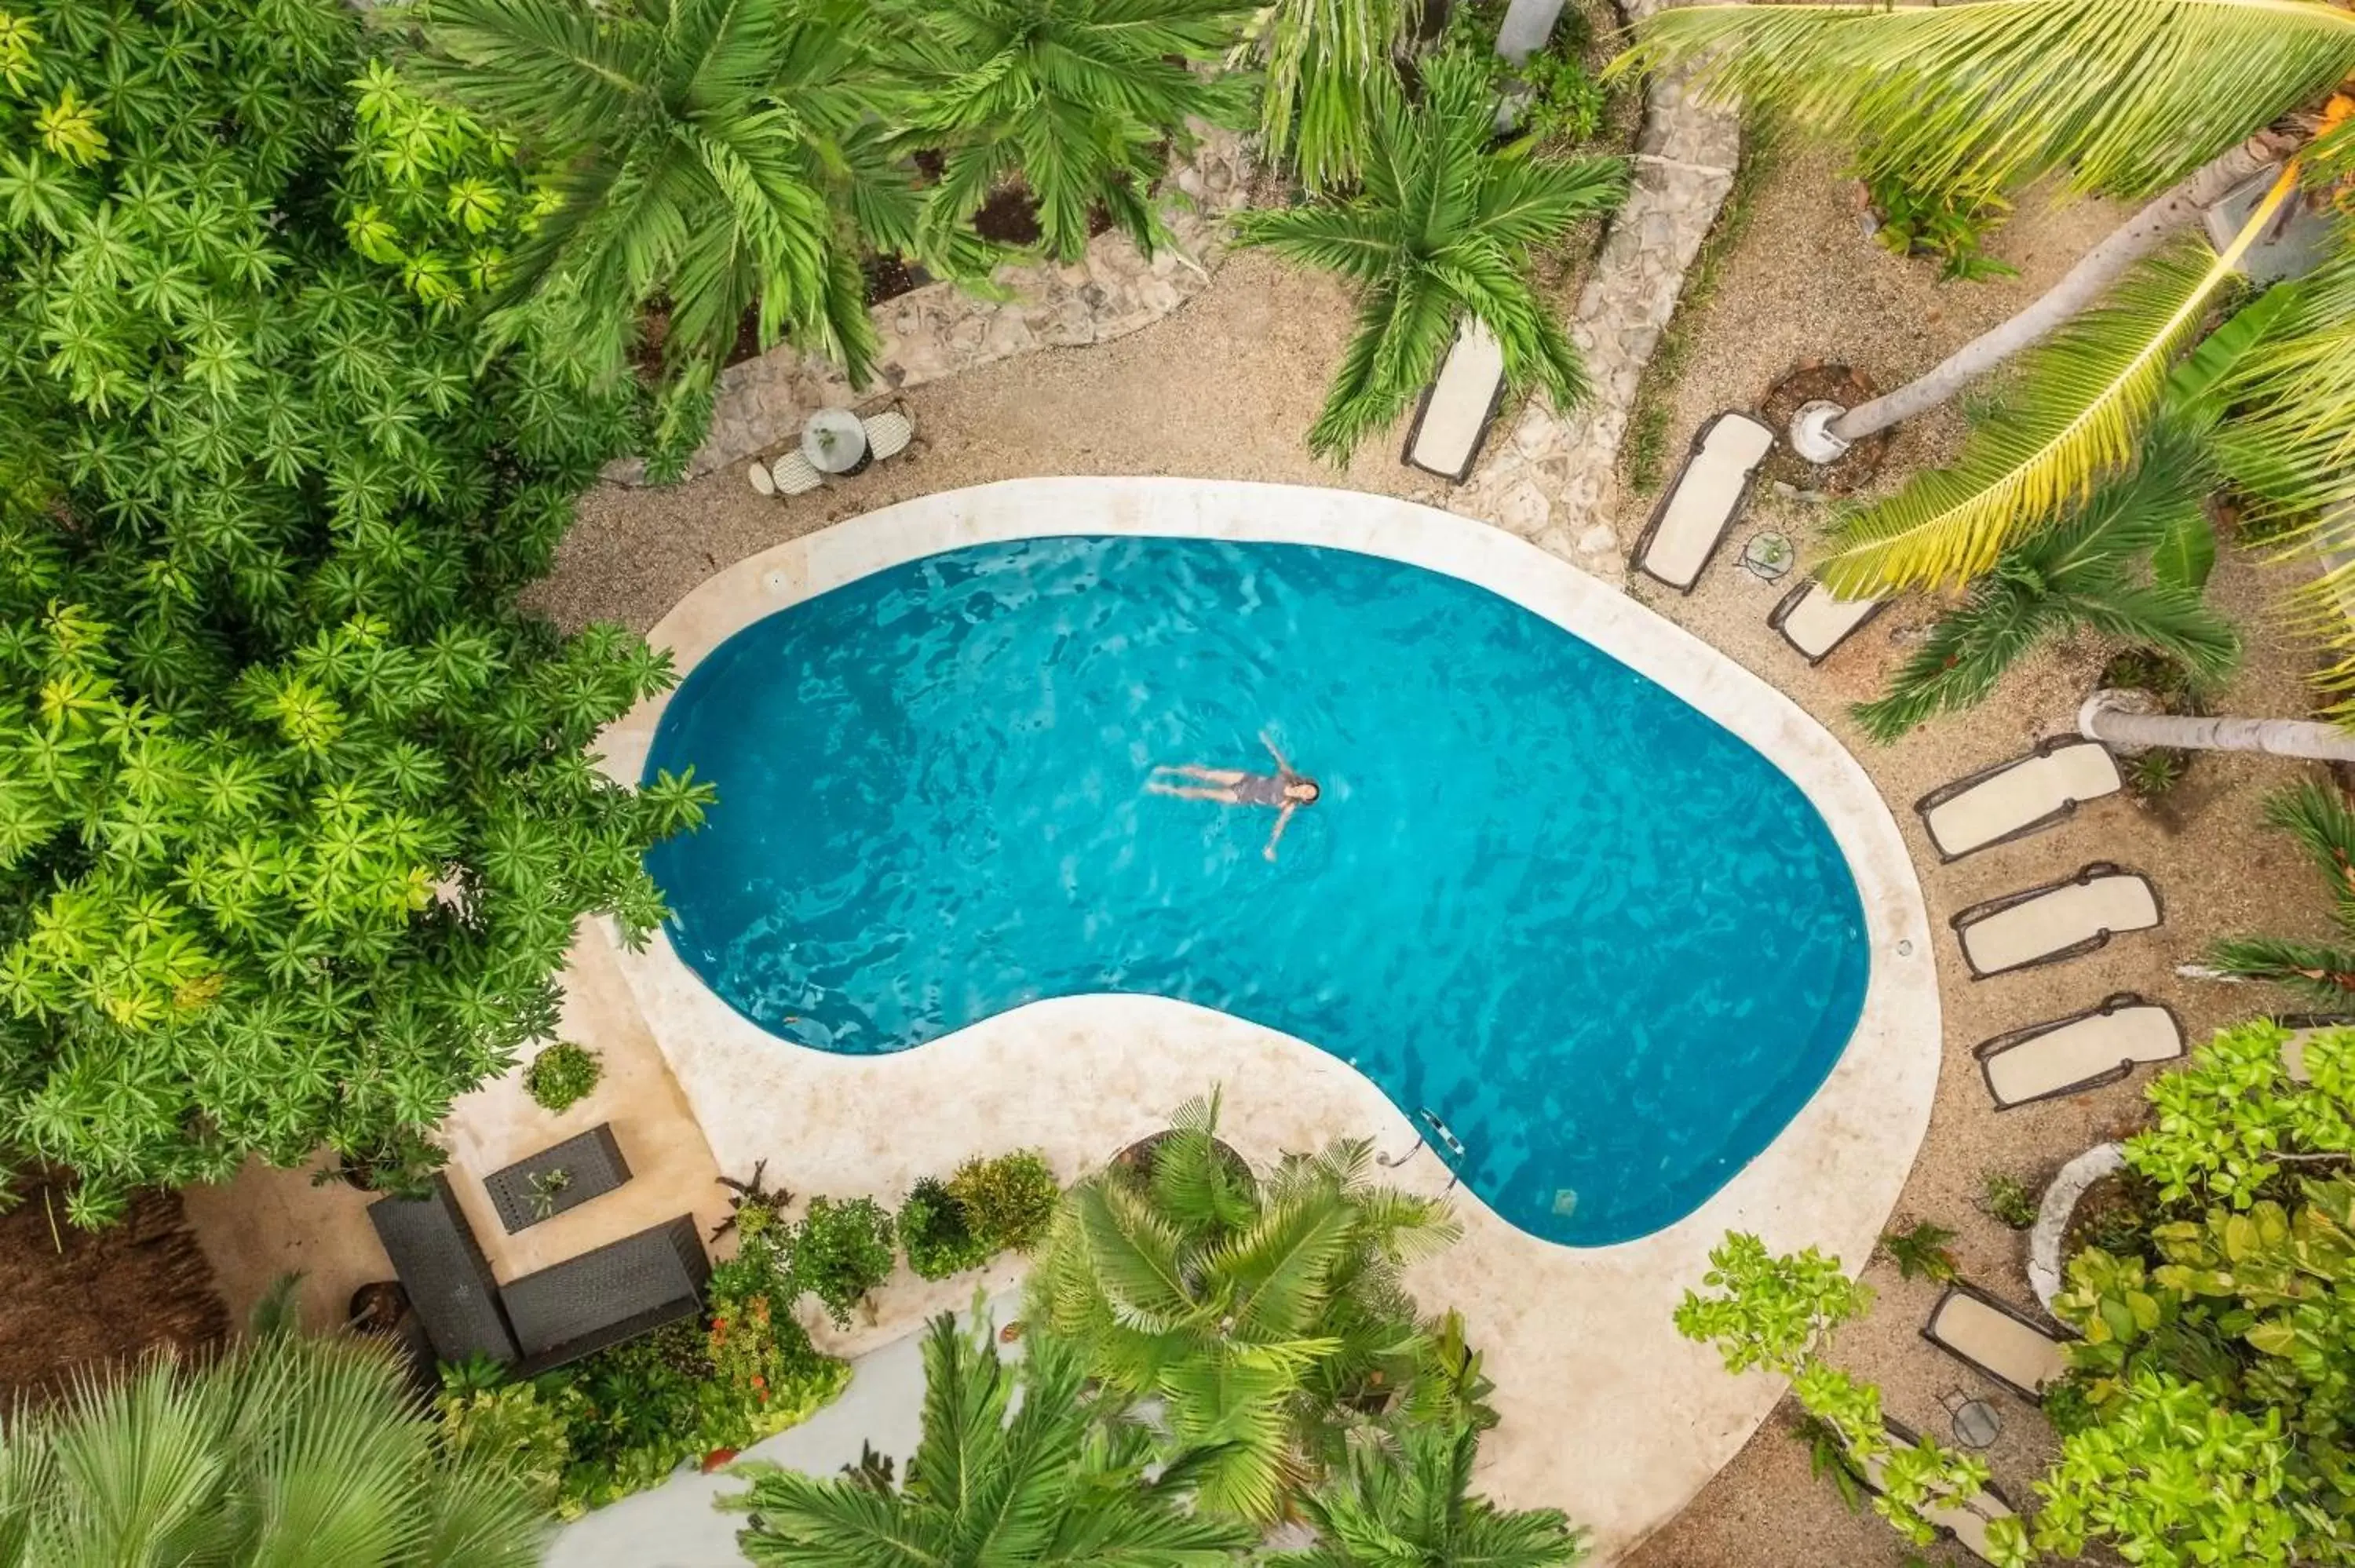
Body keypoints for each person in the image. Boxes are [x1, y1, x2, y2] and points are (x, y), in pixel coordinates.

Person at [1148, 731, 1321, 862]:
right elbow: (1278, 758)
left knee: (1205, 792)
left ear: (1305, 800)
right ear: (1306, 783)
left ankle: (1166, 789)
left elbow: (1279, 826)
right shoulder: (1289, 775)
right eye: (1308, 788)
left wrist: (1271, 847)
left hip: (1241, 796)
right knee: (1207, 774)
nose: (1305, 791)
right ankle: (1169, 769)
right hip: (1244, 778)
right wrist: (1267, 741)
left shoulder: (1288, 805)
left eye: (1308, 795)